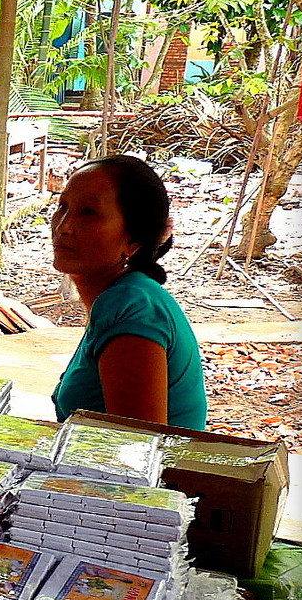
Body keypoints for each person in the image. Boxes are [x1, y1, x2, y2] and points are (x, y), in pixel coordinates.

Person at [50, 155, 207, 429]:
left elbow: (136, 448)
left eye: (89, 213)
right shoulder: (123, 297)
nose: (63, 227)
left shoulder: (131, 307)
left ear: (133, 241)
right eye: (63, 207)